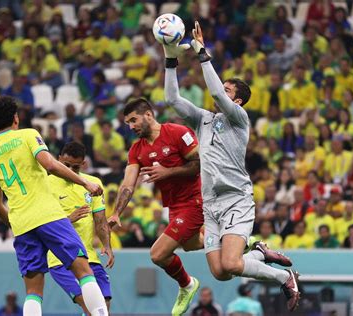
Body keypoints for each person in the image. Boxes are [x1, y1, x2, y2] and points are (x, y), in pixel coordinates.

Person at [163, 21, 299, 312]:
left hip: (236, 198)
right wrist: (169, 58)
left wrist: (203, 55)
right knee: (221, 271)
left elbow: (215, 95)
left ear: (236, 100)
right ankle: (260, 253)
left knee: (233, 262)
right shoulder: (203, 119)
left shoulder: (239, 120)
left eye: (227, 91)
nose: (220, 93)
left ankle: (283, 277)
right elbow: (171, 98)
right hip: (210, 206)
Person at [0, 96, 107, 316]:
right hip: (49, 215)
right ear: (15, 118)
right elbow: (50, 164)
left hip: (21, 224)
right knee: (84, 271)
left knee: (33, 291)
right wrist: (85, 181)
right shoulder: (28, 135)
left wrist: (14, 223)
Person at [108, 98, 204, 314]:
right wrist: (116, 213)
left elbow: (199, 164)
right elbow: (127, 185)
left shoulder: (178, 132)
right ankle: (237, 242)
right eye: (127, 123)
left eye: (134, 120)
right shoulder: (136, 150)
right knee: (191, 244)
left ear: (148, 115)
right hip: (174, 206)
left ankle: (187, 285)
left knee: (158, 254)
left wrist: (168, 172)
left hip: (194, 200)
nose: (131, 126)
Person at [47, 141, 114, 314]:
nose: (69, 169)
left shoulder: (93, 184)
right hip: (60, 259)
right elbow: (42, 225)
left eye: (75, 167)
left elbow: (100, 220)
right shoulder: (45, 185)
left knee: (104, 305)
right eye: (66, 165)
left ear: (83, 164)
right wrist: (69, 219)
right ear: (58, 159)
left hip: (88, 256)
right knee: (90, 306)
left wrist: (107, 245)